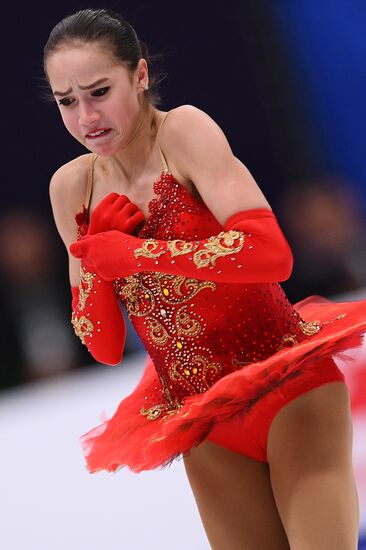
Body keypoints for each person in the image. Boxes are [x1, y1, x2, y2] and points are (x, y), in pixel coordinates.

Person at [44, 8, 366, 549]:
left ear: (140, 76)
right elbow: (102, 345)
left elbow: (271, 253)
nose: (85, 116)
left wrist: (139, 255)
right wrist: (98, 264)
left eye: (99, 91)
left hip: (288, 387)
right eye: (66, 101)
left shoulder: (183, 132)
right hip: (203, 422)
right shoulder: (71, 189)